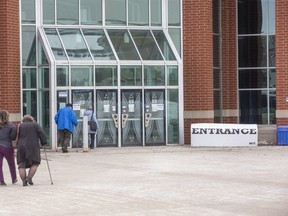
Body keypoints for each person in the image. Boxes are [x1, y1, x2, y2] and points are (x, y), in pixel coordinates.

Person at [16, 115, 47, 186]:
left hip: (21, 146)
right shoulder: (35, 125)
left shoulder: (20, 126)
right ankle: (29, 177)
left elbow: (14, 135)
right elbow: (42, 134)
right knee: (35, 162)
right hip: (33, 146)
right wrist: (44, 142)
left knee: (21, 164)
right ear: (31, 120)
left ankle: (24, 181)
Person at [0, 110, 18, 186]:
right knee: (11, 163)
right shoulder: (12, 126)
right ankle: (14, 179)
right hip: (7, 147)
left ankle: (1, 180)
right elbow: (13, 137)